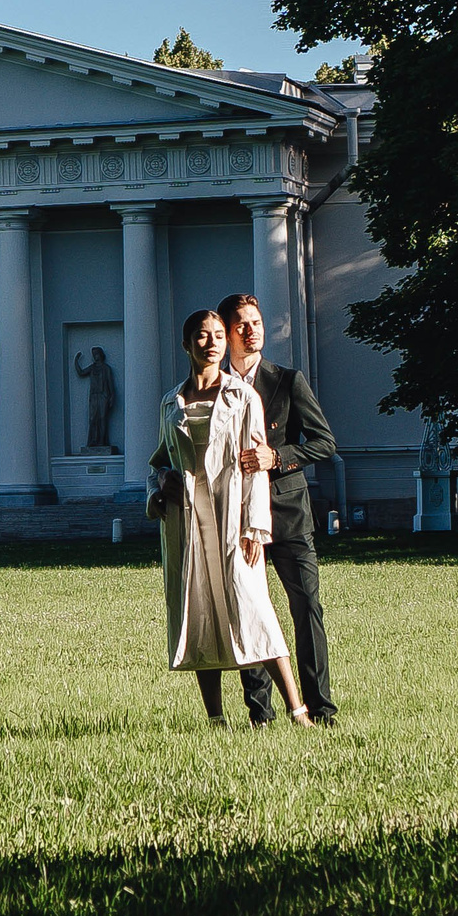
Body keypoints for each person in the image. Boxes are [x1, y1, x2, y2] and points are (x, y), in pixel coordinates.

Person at [148, 308, 309, 726]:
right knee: (198, 610)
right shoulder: (170, 402)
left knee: (252, 606)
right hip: (187, 521)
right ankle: (216, 718)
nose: (212, 342)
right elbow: (158, 461)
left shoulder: (242, 398)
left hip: (232, 517)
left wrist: (256, 527)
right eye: (202, 336)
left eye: (219, 334)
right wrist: (160, 483)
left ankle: (298, 710)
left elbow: (254, 467)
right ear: (187, 345)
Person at [217, 292, 342, 726]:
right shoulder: (212, 388)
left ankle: (321, 710)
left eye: (257, 323)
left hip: (287, 514)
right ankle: (260, 714)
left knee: (306, 609)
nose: (252, 332)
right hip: (235, 518)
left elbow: (324, 443)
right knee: (248, 612)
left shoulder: (288, 381)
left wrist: (279, 456)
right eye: (242, 325)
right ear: (227, 332)